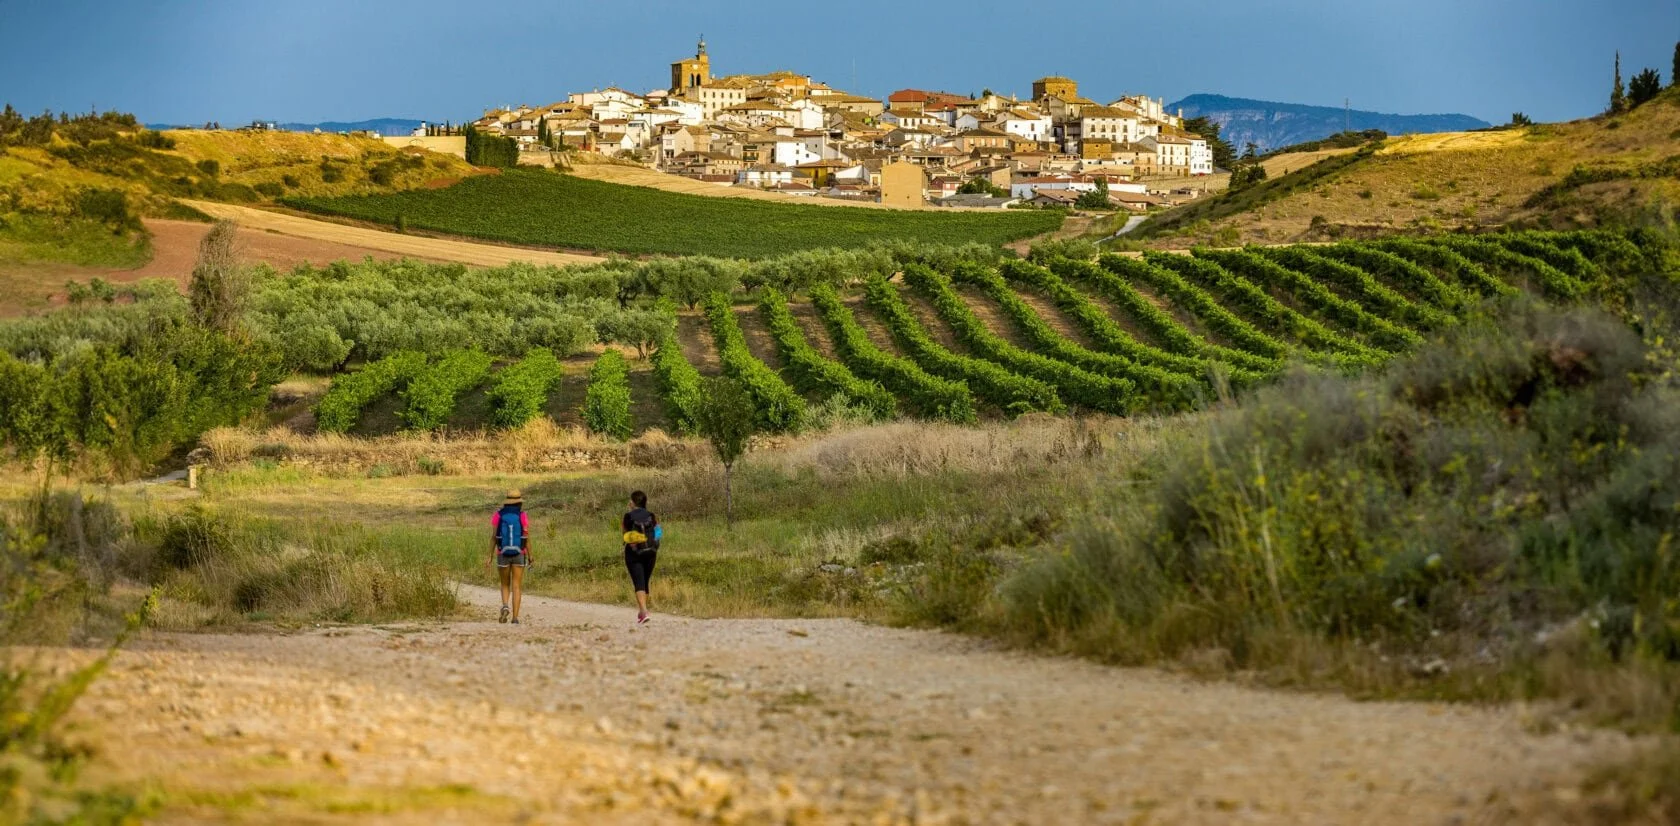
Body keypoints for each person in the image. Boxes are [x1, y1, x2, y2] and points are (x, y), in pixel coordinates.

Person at [490, 489, 530, 624]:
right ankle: (515, 618)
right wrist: (530, 555)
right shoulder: (522, 515)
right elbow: (526, 537)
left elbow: (494, 537)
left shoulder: (498, 515)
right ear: (519, 502)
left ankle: (505, 605)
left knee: (505, 583)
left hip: (502, 552)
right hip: (519, 553)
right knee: (517, 585)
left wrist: (489, 556)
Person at [621, 490, 660, 624]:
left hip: (634, 554)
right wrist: (653, 545)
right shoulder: (651, 515)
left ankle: (643, 612)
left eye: (630, 500)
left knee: (639, 582)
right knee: (644, 581)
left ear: (633, 502)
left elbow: (625, 535)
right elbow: (659, 532)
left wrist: (635, 542)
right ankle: (643, 610)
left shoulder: (628, 516)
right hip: (651, 553)